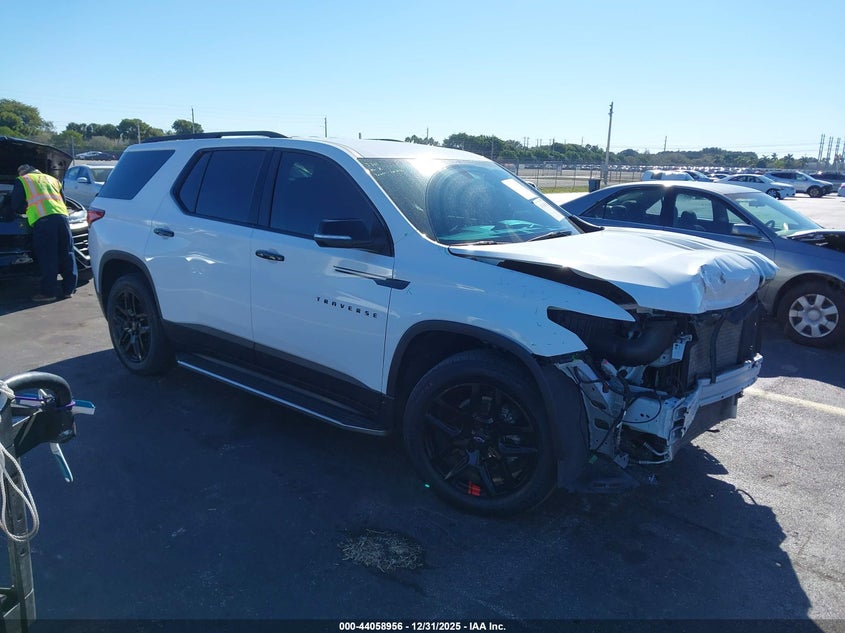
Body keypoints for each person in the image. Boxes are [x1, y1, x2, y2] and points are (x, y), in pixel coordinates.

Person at [4, 164, 77, 302]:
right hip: (62, 217)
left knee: (48, 256)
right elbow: (64, 200)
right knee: (67, 253)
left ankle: (49, 293)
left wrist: (21, 209)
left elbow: (17, 205)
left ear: (22, 173)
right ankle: (69, 290)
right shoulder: (52, 179)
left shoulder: (23, 180)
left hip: (43, 220)